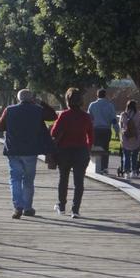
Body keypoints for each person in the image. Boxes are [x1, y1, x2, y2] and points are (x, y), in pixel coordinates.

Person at [0, 89, 54, 219]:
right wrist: (41, 103)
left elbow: (0, 127)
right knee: (28, 180)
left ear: (18, 99)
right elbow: (53, 116)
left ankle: (18, 207)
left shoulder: (9, 110)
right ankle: (27, 208)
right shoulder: (38, 110)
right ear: (32, 99)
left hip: (14, 151)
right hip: (30, 151)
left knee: (15, 179)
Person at [50, 88, 94, 219]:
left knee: (63, 179)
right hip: (81, 151)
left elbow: (53, 133)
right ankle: (75, 210)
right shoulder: (86, 116)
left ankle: (61, 206)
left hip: (64, 151)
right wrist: (88, 148)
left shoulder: (64, 115)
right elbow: (91, 135)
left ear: (68, 100)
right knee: (79, 182)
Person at [87, 88, 119, 173]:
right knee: (105, 148)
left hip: (95, 129)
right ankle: (104, 167)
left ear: (97, 95)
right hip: (106, 130)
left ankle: (97, 165)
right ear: (105, 95)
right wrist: (117, 130)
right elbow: (114, 119)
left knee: (96, 147)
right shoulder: (110, 105)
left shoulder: (92, 105)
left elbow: (89, 118)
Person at [119, 99, 140, 179]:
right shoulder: (138, 114)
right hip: (136, 137)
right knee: (135, 155)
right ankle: (134, 171)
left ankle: (126, 171)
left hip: (126, 138)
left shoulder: (123, 114)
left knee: (126, 155)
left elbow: (121, 126)